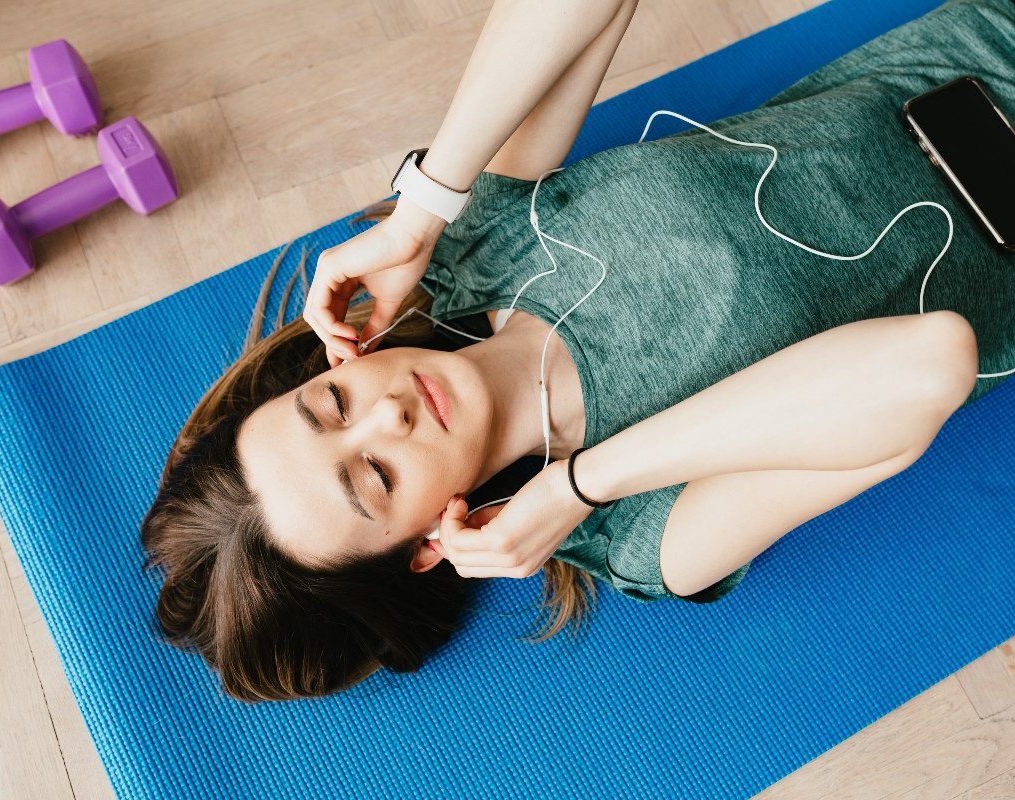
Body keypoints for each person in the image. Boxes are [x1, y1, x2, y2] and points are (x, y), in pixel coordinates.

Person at [141, 0, 1015, 701]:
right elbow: (931, 360)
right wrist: (579, 484)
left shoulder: (476, 251)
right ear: (422, 551)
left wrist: (423, 207)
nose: (389, 411)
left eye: (332, 405)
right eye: (376, 477)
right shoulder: (641, 534)